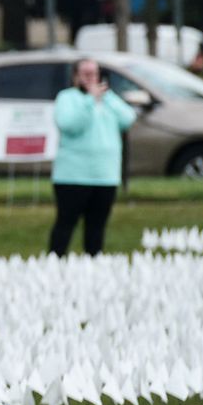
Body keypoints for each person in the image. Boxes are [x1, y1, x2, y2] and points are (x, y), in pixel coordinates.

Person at [49, 57, 135, 256]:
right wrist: (89, 100)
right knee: (65, 224)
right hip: (72, 176)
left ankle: (93, 266)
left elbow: (128, 118)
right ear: (75, 76)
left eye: (94, 73)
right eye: (85, 73)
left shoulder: (108, 100)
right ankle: (54, 263)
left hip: (104, 175)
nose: (90, 78)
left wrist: (107, 96)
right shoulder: (67, 98)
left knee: (97, 227)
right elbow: (69, 125)